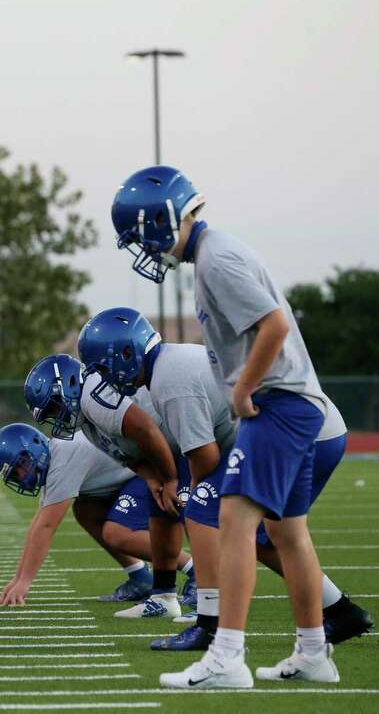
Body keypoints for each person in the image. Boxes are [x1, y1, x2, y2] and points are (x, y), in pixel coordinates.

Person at [111, 165, 342, 687]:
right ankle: (313, 652)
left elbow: (275, 326)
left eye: (138, 235)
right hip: (294, 402)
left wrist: (242, 389)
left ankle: (227, 658)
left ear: (160, 219)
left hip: (276, 402)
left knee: (232, 522)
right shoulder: (214, 255)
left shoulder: (217, 258)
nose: (142, 248)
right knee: (287, 533)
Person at [77, 305, 374, 652]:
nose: (105, 378)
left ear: (127, 353)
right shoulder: (168, 366)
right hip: (309, 430)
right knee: (266, 538)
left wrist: (185, 488)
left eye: (104, 367)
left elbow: (205, 455)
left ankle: (210, 625)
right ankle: (342, 611)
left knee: (201, 507)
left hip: (298, 433)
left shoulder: (170, 379)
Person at [25, 352, 194, 617]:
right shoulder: (86, 418)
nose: (57, 418)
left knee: (121, 532)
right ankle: (152, 586)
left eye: (55, 407)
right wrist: (153, 475)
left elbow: (145, 429)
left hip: (172, 450)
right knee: (87, 510)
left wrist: (168, 477)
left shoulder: (92, 401)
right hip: (149, 463)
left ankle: (198, 577)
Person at [0, 423, 188, 608]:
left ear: (34, 447)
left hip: (150, 473)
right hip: (129, 477)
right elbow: (37, 524)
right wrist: (17, 578)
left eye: (21, 466)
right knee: (86, 511)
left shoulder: (64, 458)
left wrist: (25, 581)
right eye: (15, 474)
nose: (22, 476)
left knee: (117, 533)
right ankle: (140, 577)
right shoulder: (56, 458)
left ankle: (194, 569)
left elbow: (46, 527)